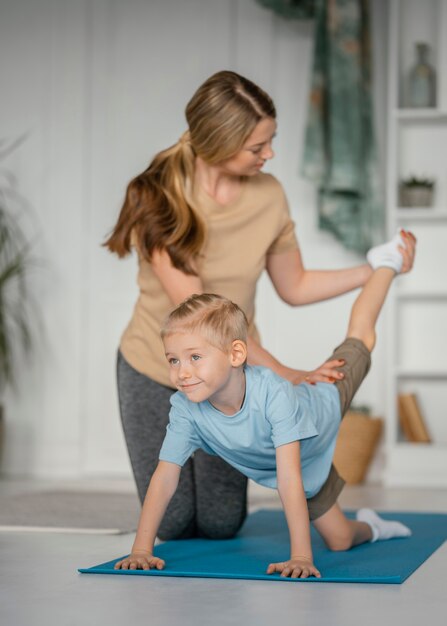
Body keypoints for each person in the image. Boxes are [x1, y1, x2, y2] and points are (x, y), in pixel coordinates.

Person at [104, 70, 416, 541]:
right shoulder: (158, 196)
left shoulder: (268, 196)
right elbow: (202, 317)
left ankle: (358, 526)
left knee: (220, 523)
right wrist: (288, 375)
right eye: (257, 147)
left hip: (233, 371)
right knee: (172, 521)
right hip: (155, 369)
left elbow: (296, 284)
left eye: (270, 141)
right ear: (217, 141)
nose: (269, 155)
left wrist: (374, 267)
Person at [114, 232, 415, 578]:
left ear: (236, 354)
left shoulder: (275, 394)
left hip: (322, 405)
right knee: (341, 539)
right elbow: (165, 477)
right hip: (305, 460)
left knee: (362, 336)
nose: (182, 372)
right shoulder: (185, 407)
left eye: (195, 357)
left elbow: (289, 478)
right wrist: (141, 550)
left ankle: (386, 263)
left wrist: (300, 556)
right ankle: (375, 527)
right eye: (173, 360)